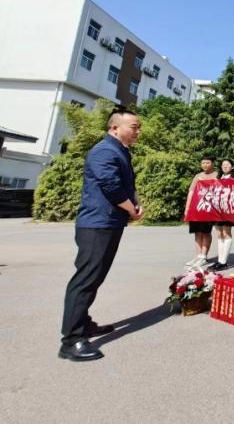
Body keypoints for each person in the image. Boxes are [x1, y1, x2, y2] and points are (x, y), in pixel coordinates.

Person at [59, 107, 143, 362]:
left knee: (95, 277)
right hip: (97, 224)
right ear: (114, 128)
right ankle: (71, 341)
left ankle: (83, 324)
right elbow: (111, 186)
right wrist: (131, 209)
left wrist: (135, 203)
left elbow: (125, 184)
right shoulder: (104, 150)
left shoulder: (120, 151)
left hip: (109, 222)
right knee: (86, 279)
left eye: (139, 128)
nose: (138, 132)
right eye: (134, 127)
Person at [184, 155, 218, 269]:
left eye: (207, 163)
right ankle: (198, 256)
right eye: (203, 163)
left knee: (206, 232)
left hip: (209, 209)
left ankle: (204, 256)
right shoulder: (198, 176)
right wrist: (187, 208)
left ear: (212, 163)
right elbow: (191, 191)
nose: (205, 165)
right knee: (197, 232)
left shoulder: (217, 175)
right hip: (196, 208)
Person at [208, 159, 234, 272]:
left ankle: (224, 262)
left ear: (232, 167)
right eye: (223, 165)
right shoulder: (218, 179)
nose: (225, 166)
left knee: (226, 233)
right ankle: (220, 260)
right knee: (219, 234)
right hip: (217, 210)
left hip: (228, 210)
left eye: (227, 165)